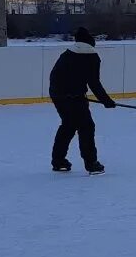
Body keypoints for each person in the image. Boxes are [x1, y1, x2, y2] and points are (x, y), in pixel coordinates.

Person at [49, 27, 116, 173]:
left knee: (68, 126)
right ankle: (91, 163)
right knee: (86, 127)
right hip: (75, 97)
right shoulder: (92, 57)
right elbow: (94, 83)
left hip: (57, 95)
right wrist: (106, 101)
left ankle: (58, 160)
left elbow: (54, 75)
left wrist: (61, 94)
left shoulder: (67, 54)